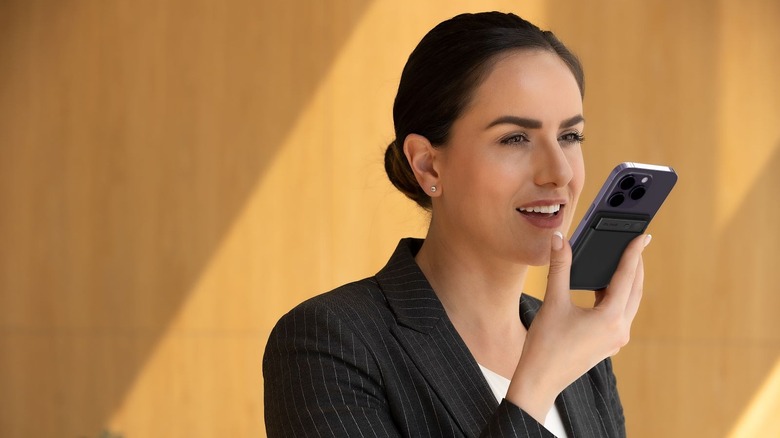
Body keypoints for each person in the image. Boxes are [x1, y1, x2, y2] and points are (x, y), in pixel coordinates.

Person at [264, 11, 649, 437]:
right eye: (515, 139)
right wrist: (540, 379)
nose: (558, 172)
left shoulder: (582, 353)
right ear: (428, 166)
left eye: (569, 137)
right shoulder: (330, 342)